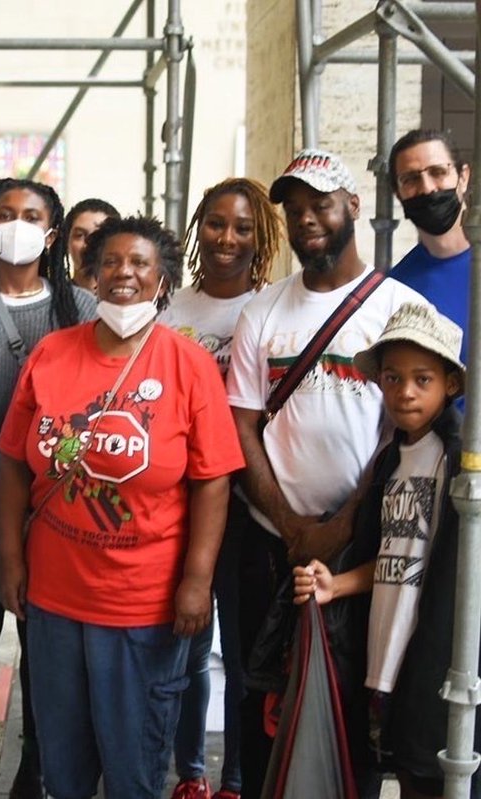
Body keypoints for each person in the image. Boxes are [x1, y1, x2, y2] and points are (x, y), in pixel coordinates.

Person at [0, 214, 244, 799]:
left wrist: (196, 580)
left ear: (162, 280)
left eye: (139, 264)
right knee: (64, 767)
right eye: (110, 262)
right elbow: (12, 461)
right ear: (92, 274)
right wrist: (11, 557)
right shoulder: (53, 353)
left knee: (135, 770)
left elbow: (213, 482)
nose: (123, 274)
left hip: (142, 608)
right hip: (54, 603)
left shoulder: (188, 365)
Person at [225, 148, 428, 799]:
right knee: (263, 701)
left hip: (358, 549)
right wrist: (289, 524)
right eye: (295, 207)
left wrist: (341, 525)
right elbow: (243, 426)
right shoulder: (264, 311)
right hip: (269, 544)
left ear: (354, 207)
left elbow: (400, 437)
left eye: (321, 203)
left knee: (348, 706)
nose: (307, 217)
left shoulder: (396, 306)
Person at [294, 302, 473, 799]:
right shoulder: (392, 459)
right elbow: (393, 557)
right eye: (393, 379)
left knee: (433, 778)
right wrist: (338, 584)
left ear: (450, 384)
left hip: (432, 662)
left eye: (422, 379)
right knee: (404, 776)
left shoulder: (461, 460)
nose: (405, 392)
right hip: (384, 656)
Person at [0, 177, 97, 799]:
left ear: (52, 233)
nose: (16, 225)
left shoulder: (83, 311)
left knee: (51, 665)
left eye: (30, 216)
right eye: (4, 214)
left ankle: (37, 773)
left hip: (55, 522)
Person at [158, 177, 284, 799]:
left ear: (260, 236)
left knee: (238, 653)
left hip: (243, 503)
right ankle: (191, 773)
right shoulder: (170, 310)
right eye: (215, 222)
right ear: (197, 227)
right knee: (183, 646)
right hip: (175, 502)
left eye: (242, 227)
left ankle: (235, 778)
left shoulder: (267, 310)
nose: (226, 237)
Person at [387, 129, 472, 361]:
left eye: (438, 172)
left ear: (463, 177)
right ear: (398, 194)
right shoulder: (397, 288)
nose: (427, 188)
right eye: (411, 179)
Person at [63, 198, 119, 292]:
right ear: (67, 242)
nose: (89, 244)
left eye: (99, 235)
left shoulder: (128, 300)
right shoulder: (53, 300)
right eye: (80, 235)